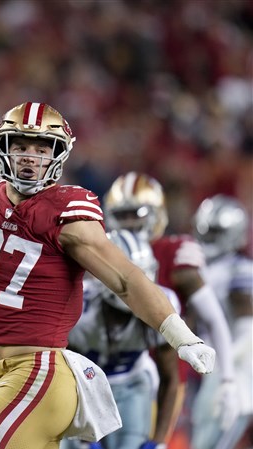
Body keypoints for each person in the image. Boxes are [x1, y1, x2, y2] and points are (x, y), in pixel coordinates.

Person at [0, 102, 216, 449]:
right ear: (3, 148)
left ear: (58, 154)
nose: (30, 157)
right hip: (5, 376)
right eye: (20, 145)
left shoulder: (68, 211)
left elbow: (125, 278)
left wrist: (181, 335)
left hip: (39, 373)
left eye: (42, 148)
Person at [103, 173, 239, 436]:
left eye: (137, 213)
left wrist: (228, 379)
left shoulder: (176, 254)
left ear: (157, 214)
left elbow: (214, 318)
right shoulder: (102, 252)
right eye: (123, 215)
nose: (130, 223)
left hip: (165, 376)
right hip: (111, 373)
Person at [61, 230, 181, 449]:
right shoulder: (79, 311)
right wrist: (81, 434)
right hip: (83, 389)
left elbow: (170, 378)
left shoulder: (163, 309)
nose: (141, 289)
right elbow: (65, 378)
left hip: (132, 385)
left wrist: (161, 441)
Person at [190, 195, 253, 449]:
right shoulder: (199, 266)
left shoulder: (239, 269)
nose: (209, 238)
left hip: (234, 372)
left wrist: (220, 363)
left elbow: (248, 329)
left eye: (216, 232)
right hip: (208, 367)